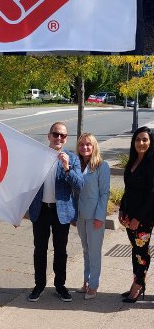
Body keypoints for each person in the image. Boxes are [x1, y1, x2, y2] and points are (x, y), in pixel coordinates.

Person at [27, 122, 83, 302]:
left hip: (62, 213)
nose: (59, 138)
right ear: (49, 136)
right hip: (41, 210)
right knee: (40, 250)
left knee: (61, 251)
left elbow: (79, 185)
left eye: (63, 136)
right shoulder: (38, 156)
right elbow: (26, 183)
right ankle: (39, 285)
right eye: (56, 134)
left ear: (66, 139)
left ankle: (60, 286)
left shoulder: (72, 158)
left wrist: (66, 167)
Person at [119, 126, 154, 302]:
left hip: (143, 218)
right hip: (129, 216)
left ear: (151, 142)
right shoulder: (133, 161)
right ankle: (137, 282)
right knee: (136, 251)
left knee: (142, 253)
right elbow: (128, 190)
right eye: (138, 139)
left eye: (145, 140)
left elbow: (152, 195)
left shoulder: (151, 163)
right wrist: (121, 210)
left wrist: (138, 218)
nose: (141, 143)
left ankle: (138, 285)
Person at [74, 132, 111, 299]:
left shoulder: (102, 166)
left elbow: (104, 193)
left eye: (88, 144)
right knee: (86, 250)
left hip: (95, 216)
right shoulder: (77, 165)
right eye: (82, 144)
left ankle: (94, 285)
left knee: (94, 252)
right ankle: (86, 280)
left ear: (94, 146)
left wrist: (100, 217)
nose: (85, 147)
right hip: (81, 215)